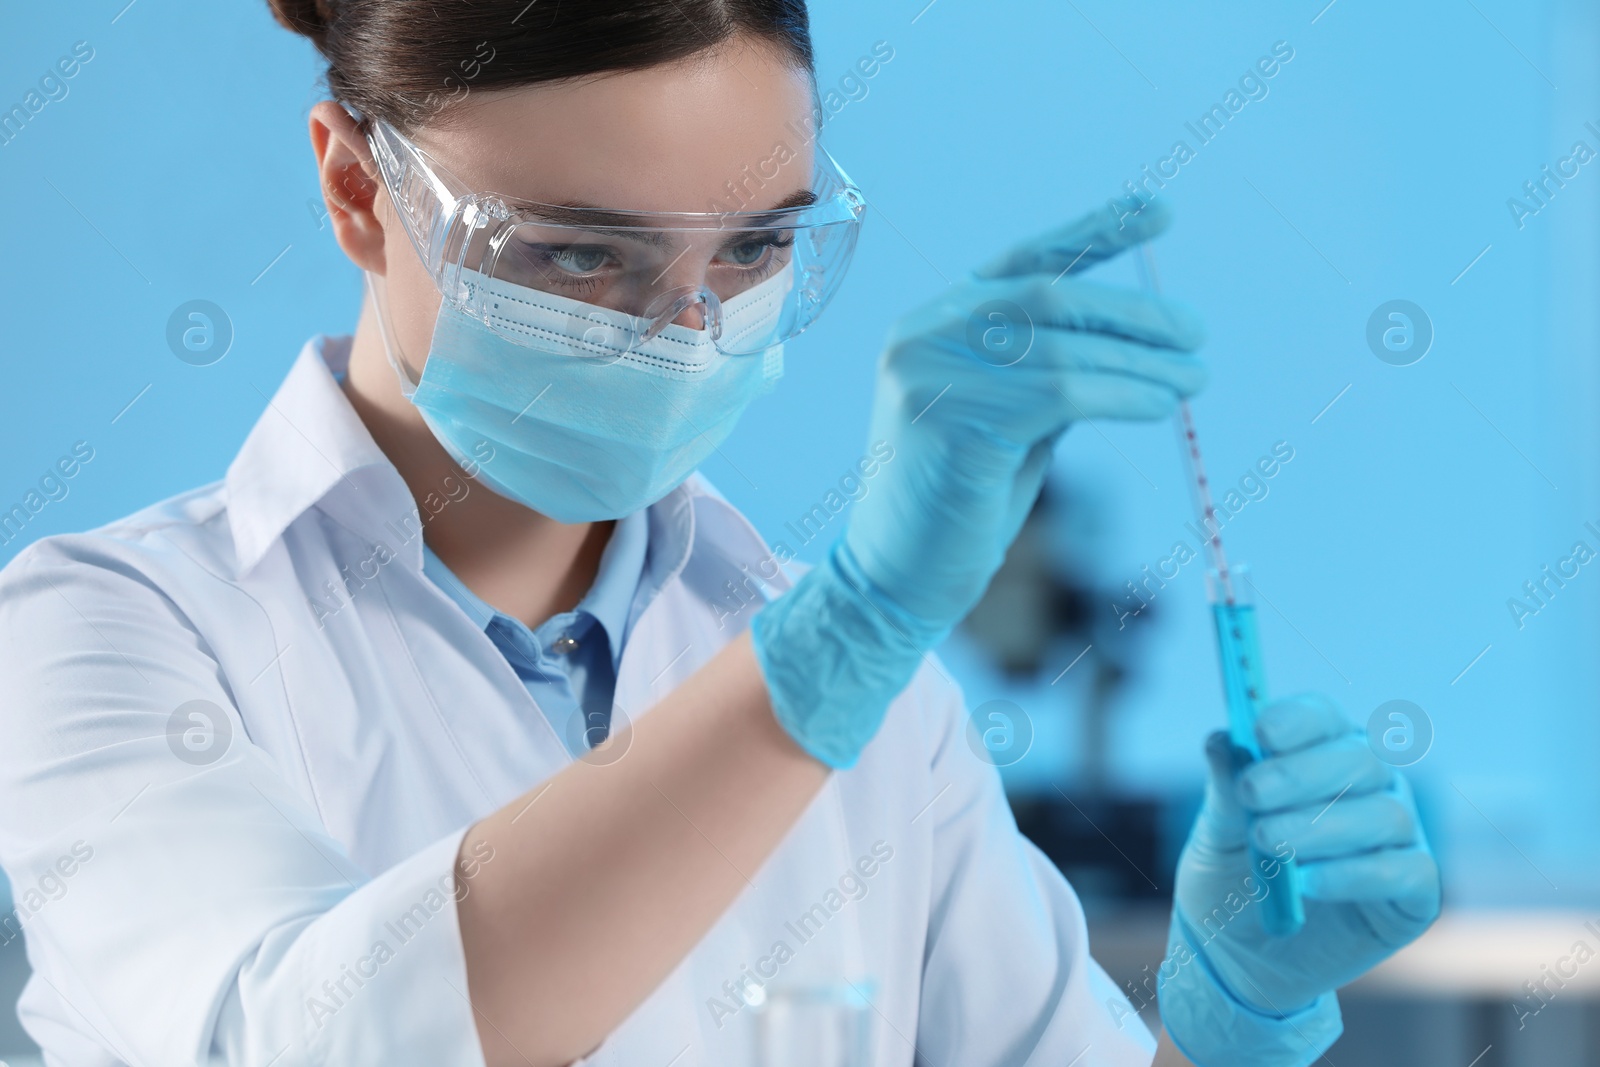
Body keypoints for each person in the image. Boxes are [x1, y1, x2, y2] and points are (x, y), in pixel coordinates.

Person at [0, 2, 1440, 1065]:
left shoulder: (876, 713)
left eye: (752, 249)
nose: (683, 334)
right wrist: (841, 646)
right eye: (578, 253)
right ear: (358, 190)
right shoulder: (109, 635)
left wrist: (1232, 1018)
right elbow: (310, 1043)